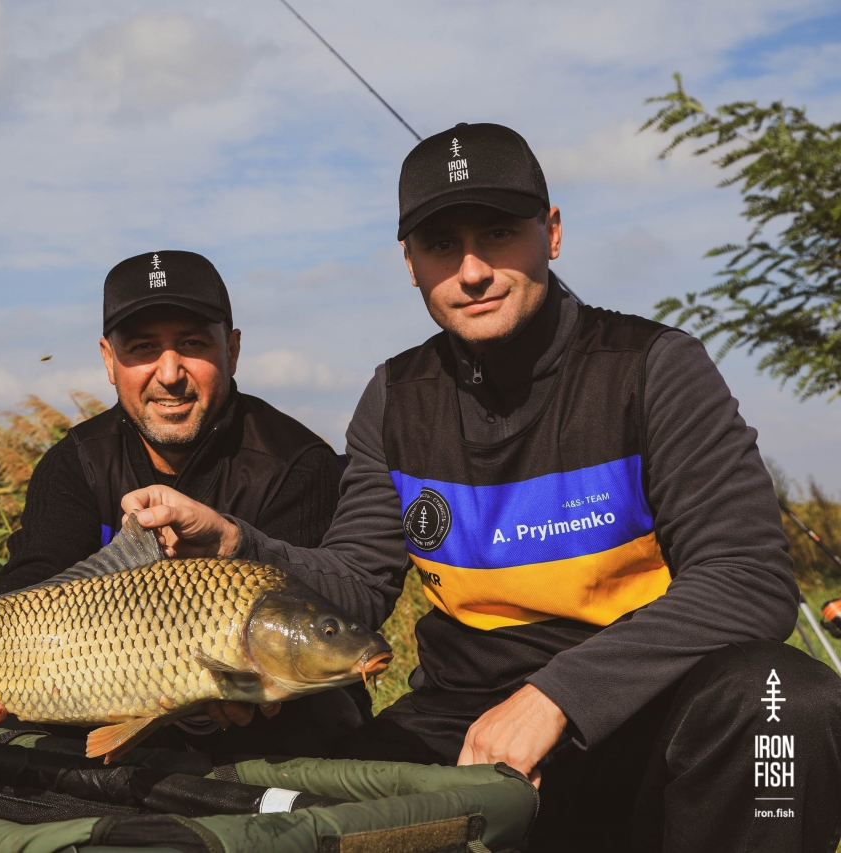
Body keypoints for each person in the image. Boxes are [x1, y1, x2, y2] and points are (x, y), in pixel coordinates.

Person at [121, 124, 841, 851]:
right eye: (442, 245)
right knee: (298, 809)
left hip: (642, 706)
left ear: (551, 232)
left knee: (787, 704)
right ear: (410, 263)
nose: (472, 271)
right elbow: (358, 582)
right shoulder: (395, 395)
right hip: (460, 723)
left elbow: (748, 579)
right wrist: (239, 545)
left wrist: (558, 697)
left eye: (498, 234)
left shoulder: (654, 367)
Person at [0, 250, 366, 754]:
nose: (169, 373)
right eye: (144, 348)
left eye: (192, 344)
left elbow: (309, 606)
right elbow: (34, 576)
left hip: (256, 731)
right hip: (97, 693)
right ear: (109, 359)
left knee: (323, 712)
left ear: (232, 350)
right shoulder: (75, 462)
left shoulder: (295, 462)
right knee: (11, 713)